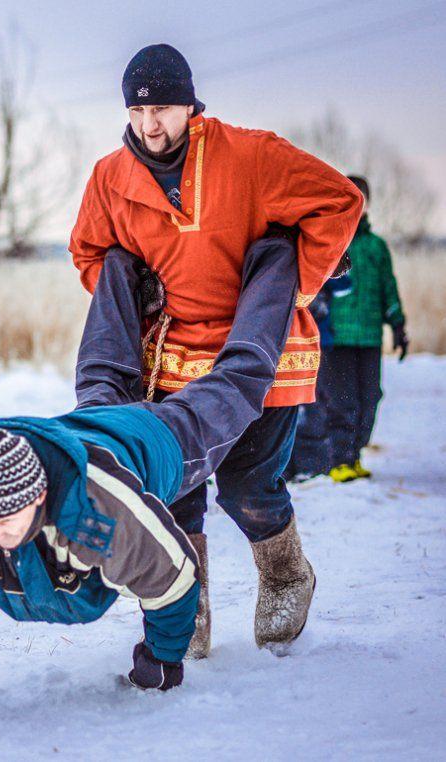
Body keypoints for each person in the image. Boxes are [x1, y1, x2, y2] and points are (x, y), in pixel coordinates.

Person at [0, 233, 300, 713]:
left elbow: (174, 576)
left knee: (235, 383)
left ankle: (277, 259)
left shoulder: (103, 506)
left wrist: (157, 666)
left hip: (157, 440)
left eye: (6, 518)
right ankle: (124, 258)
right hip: (84, 426)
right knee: (101, 372)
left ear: (39, 496)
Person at [68, 44, 363, 658]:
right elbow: (89, 251)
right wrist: (131, 291)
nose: (151, 124)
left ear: (190, 105)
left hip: (261, 352)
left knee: (248, 485)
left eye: (164, 108)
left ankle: (286, 573)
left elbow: (340, 202)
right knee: (173, 489)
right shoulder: (109, 177)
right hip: (170, 358)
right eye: (138, 110)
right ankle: (184, 602)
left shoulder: (250, 154)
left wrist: (295, 287)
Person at [326, 176, 407, 483]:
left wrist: (398, 324)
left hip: (370, 336)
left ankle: (355, 454)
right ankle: (339, 460)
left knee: (370, 396)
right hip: (337, 337)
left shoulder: (376, 247)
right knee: (341, 400)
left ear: (367, 204)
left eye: (360, 199)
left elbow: (389, 287)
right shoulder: (331, 240)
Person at [285, 274, 352, 482]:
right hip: (283, 341)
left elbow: (345, 284)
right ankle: (288, 467)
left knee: (311, 403)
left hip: (314, 341)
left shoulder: (318, 255)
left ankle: (310, 466)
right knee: (287, 404)